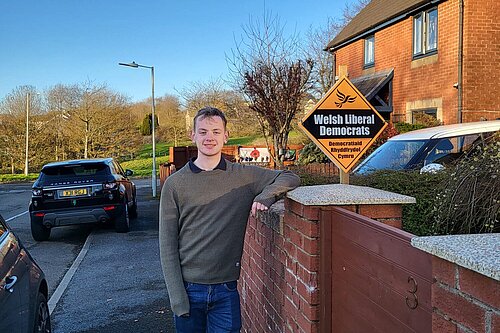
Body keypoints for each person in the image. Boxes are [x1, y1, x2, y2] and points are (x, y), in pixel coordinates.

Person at [159, 107, 300, 332]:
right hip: (189, 289)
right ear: (192, 135)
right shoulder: (175, 184)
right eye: (203, 132)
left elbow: (290, 176)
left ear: (225, 135)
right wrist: (177, 298)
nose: (209, 138)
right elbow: (167, 245)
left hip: (226, 290)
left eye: (216, 131)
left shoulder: (243, 176)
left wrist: (266, 196)